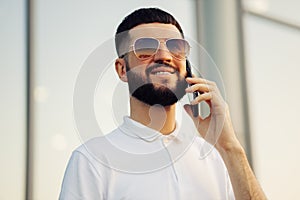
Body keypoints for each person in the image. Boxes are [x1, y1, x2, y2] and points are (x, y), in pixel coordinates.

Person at [59, 7, 266, 200]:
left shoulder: (216, 157)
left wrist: (229, 146)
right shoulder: (91, 160)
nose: (164, 56)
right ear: (122, 70)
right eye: (146, 48)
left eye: (176, 47)